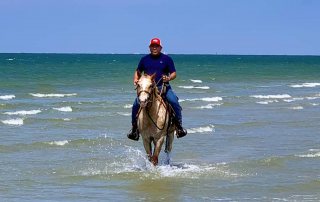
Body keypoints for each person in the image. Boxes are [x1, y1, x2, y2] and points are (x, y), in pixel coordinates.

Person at [127, 37, 187, 141]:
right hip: (147, 89)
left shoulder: (167, 59)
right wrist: (136, 79)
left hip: (163, 87)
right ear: (149, 48)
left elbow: (174, 73)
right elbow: (137, 71)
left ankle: (179, 126)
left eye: (156, 46)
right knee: (136, 104)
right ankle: (134, 129)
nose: (154, 48)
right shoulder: (144, 59)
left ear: (160, 47)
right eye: (152, 46)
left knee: (174, 101)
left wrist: (168, 78)